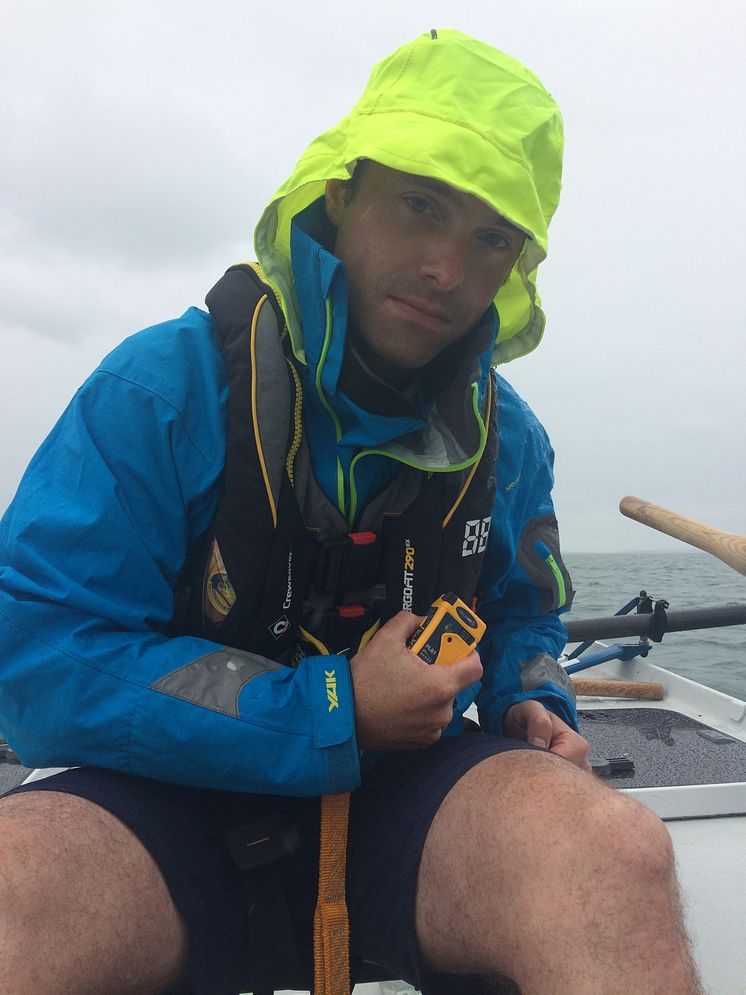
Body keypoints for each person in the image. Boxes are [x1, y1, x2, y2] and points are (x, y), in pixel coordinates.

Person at [0, 28, 702, 995]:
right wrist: (332, 708)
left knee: (614, 855)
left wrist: (530, 695)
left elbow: (524, 616)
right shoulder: (159, 392)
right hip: (156, 804)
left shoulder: (515, 442)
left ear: (516, 267)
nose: (446, 270)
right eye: (420, 206)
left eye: (490, 237)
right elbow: (37, 659)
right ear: (340, 192)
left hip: (399, 807)